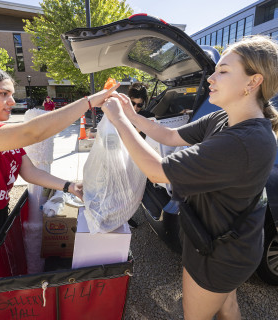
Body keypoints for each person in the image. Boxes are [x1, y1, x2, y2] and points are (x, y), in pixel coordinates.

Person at [102, 35, 278, 320]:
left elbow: (156, 170)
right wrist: (130, 114)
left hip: (218, 255)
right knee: (226, 306)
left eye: (223, 71)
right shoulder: (224, 118)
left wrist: (118, 121)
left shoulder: (245, 141)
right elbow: (169, 135)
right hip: (230, 245)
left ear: (253, 82)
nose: (211, 78)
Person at [0, 62, 119, 320]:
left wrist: (69, 186)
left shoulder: (1, 133)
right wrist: (89, 101)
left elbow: (29, 171)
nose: (11, 101)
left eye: (11, 94)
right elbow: (33, 132)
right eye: (3, 94)